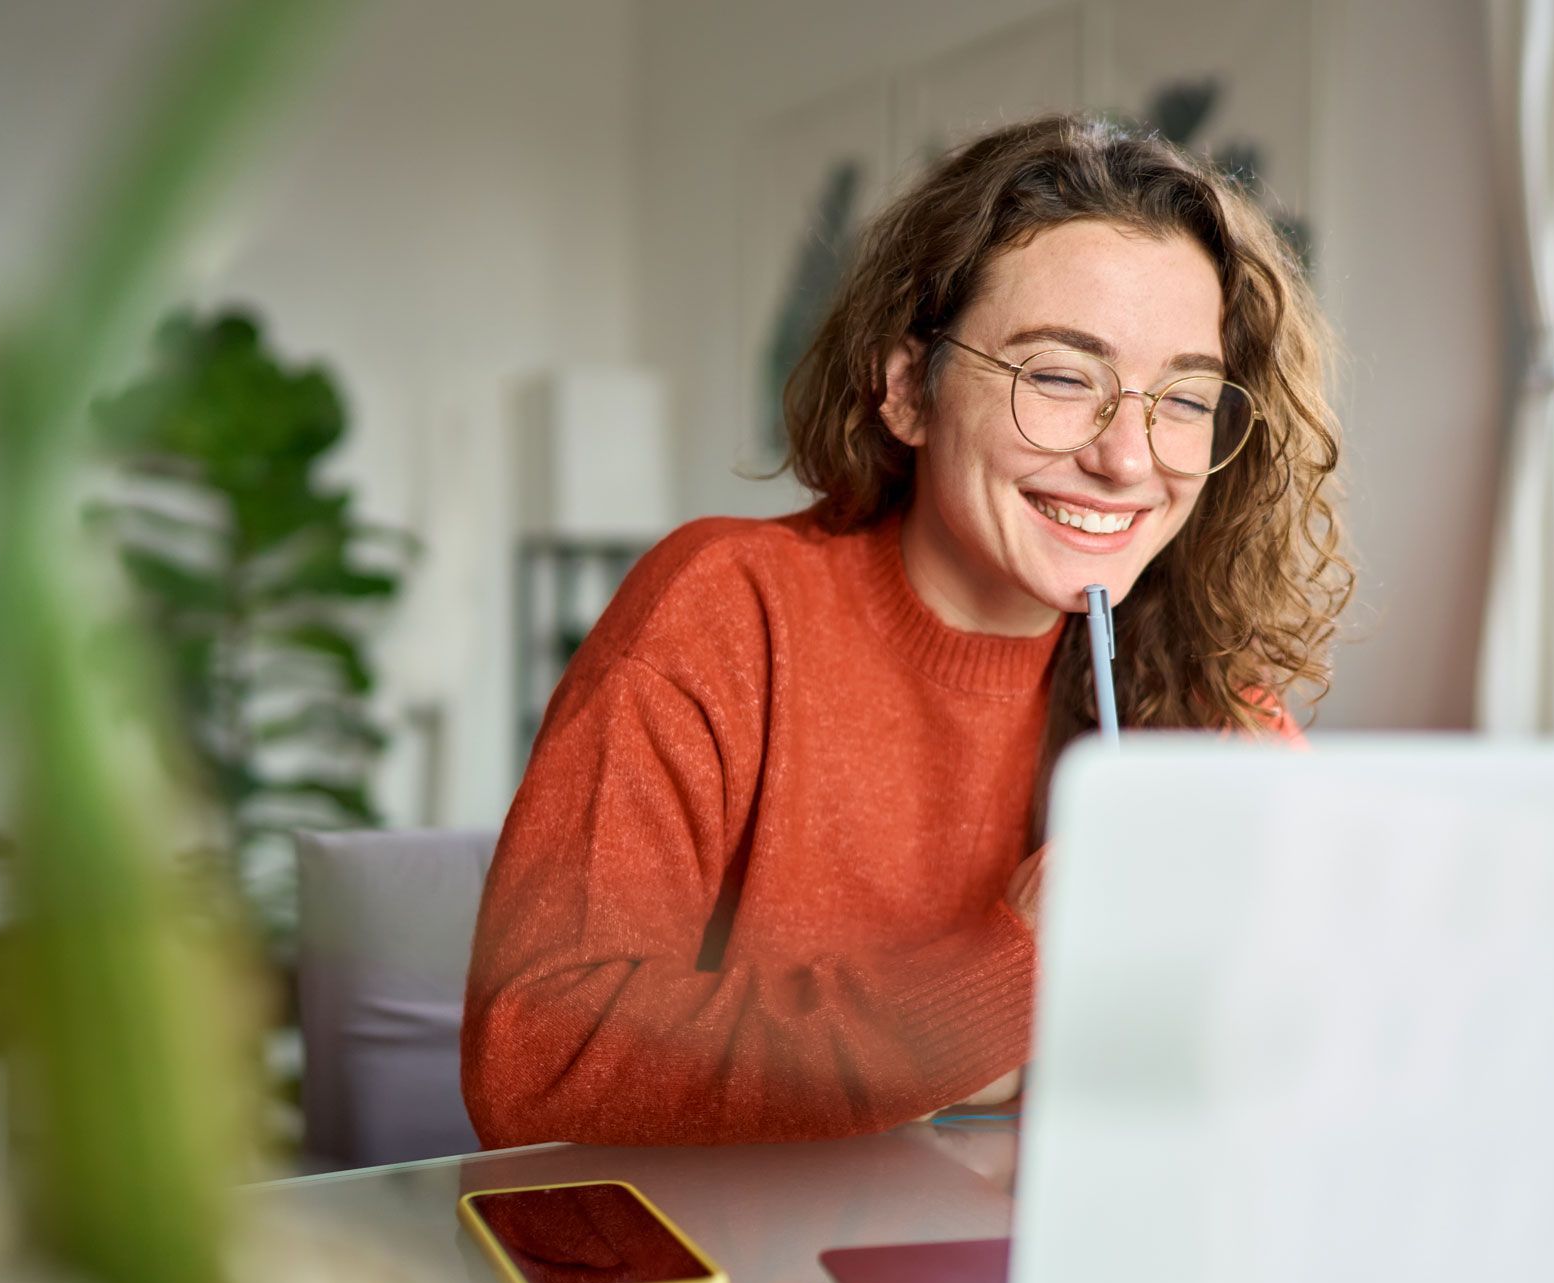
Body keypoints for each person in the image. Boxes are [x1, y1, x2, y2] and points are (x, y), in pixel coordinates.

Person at [461, 113, 1351, 1147]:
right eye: (1061, 377)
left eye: (1184, 399)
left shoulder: (1198, 681)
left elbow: (1308, 1037)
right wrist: (1011, 973)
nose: (1127, 458)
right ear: (905, 390)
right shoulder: (724, 611)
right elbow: (535, 1059)